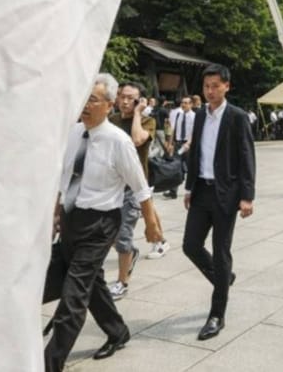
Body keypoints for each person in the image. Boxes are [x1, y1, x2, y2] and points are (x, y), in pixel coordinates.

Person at [45, 74, 164, 371]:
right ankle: (117, 331)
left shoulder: (118, 141)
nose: (85, 105)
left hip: (100, 225)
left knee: (73, 298)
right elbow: (65, 177)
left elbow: (140, 187)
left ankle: (49, 363)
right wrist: (57, 211)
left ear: (109, 105)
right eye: (84, 99)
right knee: (88, 285)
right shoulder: (73, 133)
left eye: (93, 100)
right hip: (73, 219)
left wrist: (151, 225)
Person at [182, 64, 256, 340]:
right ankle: (224, 279)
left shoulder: (237, 117)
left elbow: (248, 155)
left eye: (215, 86)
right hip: (201, 190)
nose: (210, 91)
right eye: (206, 86)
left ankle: (216, 314)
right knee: (190, 245)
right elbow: (196, 154)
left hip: (226, 194)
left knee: (221, 251)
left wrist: (247, 196)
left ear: (227, 86)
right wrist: (189, 187)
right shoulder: (200, 116)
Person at [106, 82, 164, 299]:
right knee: (107, 234)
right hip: (111, 186)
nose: (125, 101)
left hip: (133, 189)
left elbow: (137, 140)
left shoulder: (147, 121)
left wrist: (138, 114)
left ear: (140, 100)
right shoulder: (112, 120)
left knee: (122, 235)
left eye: (131, 98)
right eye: (121, 96)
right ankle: (130, 251)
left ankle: (122, 283)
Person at [165, 96, 195, 199]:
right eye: (183, 102)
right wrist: (170, 144)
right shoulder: (178, 115)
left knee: (191, 168)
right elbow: (174, 130)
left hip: (189, 144)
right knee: (175, 167)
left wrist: (189, 143)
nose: (184, 105)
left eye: (186, 103)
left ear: (191, 104)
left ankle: (192, 190)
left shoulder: (194, 116)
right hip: (178, 144)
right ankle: (173, 191)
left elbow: (195, 132)